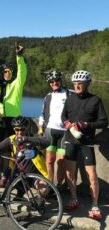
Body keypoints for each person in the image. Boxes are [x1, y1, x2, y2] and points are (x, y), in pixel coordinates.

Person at [61, 70, 108, 220]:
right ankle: (74, 198)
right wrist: (68, 124)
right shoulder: (69, 99)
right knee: (70, 173)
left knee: (92, 175)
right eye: (75, 83)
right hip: (70, 140)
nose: (77, 86)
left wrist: (86, 124)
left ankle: (95, 205)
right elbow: (63, 116)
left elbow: (103, 122)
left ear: (87, 84)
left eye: (80, 83)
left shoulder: (95, 100)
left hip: (86, 142)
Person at [0, 116, 49, 189]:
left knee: (44, 190)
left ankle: (42, 196)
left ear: (27, 129)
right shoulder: (12, 139)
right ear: (14, 129)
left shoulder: (33, 138)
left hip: (35, 175)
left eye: (22, 129)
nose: (20, 132)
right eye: (17, 129)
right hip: (18, 174)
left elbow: (46, 142)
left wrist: (26, 139)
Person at [38, 70, 72, 188]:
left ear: (60, 81)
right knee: (49, 161)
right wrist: (40, 126)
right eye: (51, 82)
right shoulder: (48, 96)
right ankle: (50, 184)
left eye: (56, 81)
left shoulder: (69, 94)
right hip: (50, 131)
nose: (54, 83)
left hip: (64, 132)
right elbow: (42, 113)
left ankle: (59, 185)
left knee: (61, 161)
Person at [0, 44, 27, 140]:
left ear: (12, 73)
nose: (7, 73)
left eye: (9, 71)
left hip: (14, 118)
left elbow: (22, 72)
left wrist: (19, 56)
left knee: (13, 143)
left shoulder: (17, 84)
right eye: (5, 71)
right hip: (0, 118)